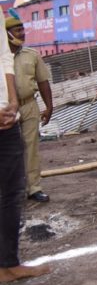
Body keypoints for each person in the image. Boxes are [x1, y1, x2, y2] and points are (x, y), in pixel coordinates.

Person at [0, 8, 51, 282]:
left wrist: (11, 103)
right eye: (16, 29)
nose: (21, 32)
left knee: (12, 190)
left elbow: (5, 59)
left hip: (10, 113)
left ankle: (8, 264)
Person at [6, 15, 53, 203]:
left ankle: (34, 188)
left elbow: (43, 82)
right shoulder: (2, 57)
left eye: (23, 29)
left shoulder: (32, 55)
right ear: (7, 34)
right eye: (17, 30)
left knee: (31, 147)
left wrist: (49, 106)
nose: (22, 33)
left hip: (29, 105)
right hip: (7, 110)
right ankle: (12, 190)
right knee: (9, 150)